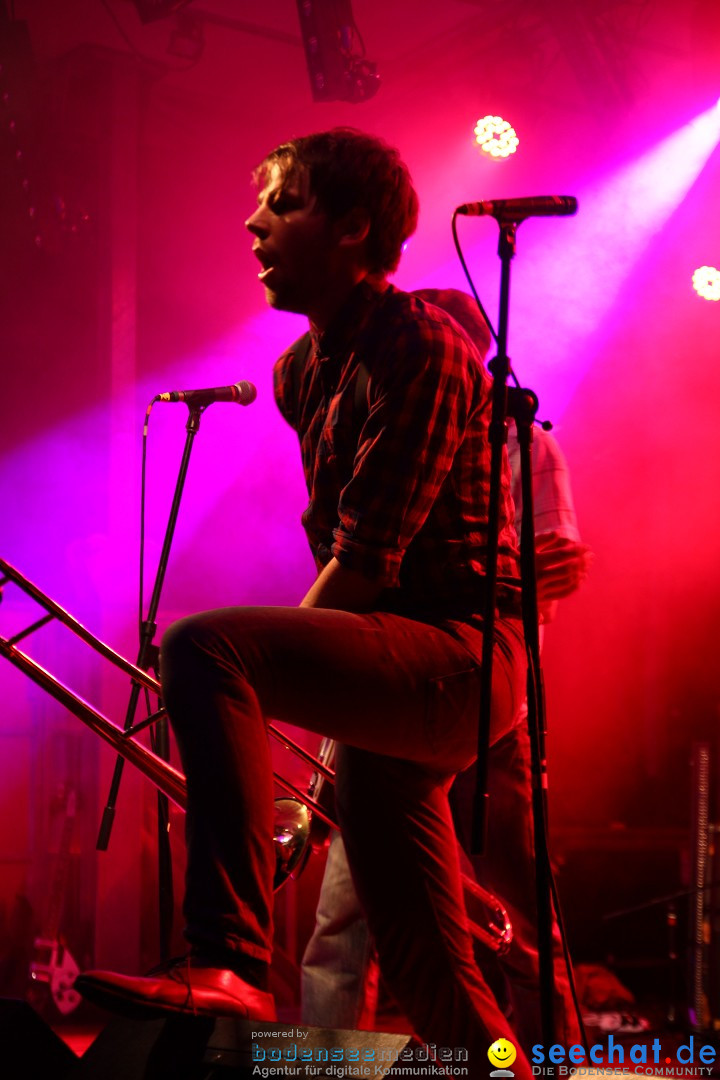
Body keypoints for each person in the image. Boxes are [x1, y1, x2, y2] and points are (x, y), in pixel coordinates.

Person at [75, 129, 534, 1078]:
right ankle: (504, 1072)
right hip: (394, 668)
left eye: (282, 205)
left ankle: (234, 964)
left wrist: (308, 786)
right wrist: (323, 779)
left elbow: (362, 564)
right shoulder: (302, 375)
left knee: (207, 647)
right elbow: (351, 589)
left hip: (461, 661)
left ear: (356, 229)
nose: (252, 223)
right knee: (432, 965)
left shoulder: (425, 348)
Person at [300, 288, 591, 1050]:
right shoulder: (385, 426)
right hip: (394, 694)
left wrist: (515, 580)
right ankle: (330, 1068)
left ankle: (550, 1061)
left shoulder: (527, 446)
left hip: (482, 704)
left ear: (474, 356)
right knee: (345, 919)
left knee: (523, 914)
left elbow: (547, 590)